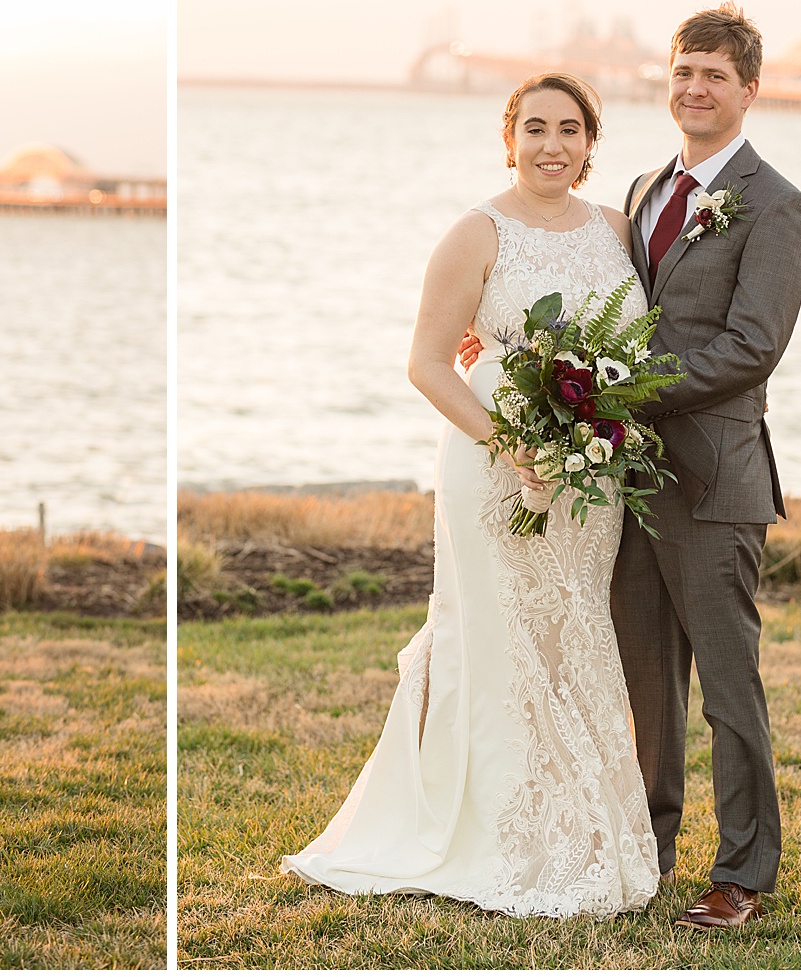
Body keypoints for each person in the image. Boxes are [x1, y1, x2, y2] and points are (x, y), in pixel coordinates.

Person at [280, 72, 660, 918]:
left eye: (569, 128)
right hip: (494, 466)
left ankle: (587, 830)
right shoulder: (475, 232)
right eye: (535, 128)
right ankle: (495, 829)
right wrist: (516, 445)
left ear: (592, 143)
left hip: (588, 478)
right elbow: (424, 362)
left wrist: (594, 437)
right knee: (498, 638)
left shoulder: (619, 231)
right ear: (508, 138)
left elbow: (634, 344)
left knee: (572, 634)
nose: (552, 144)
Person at [608, 3, 801, 929]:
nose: (696, 89)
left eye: (716, 77)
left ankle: (743, 875)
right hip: (630, 482)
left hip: (717, 480)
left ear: (749, 91)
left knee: (730, 689)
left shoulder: (777, 205)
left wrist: (624, 394)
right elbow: (610, 306)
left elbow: (751, 347)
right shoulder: (648, 186)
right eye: (685, 72)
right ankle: (647, 852)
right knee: (646, 682)